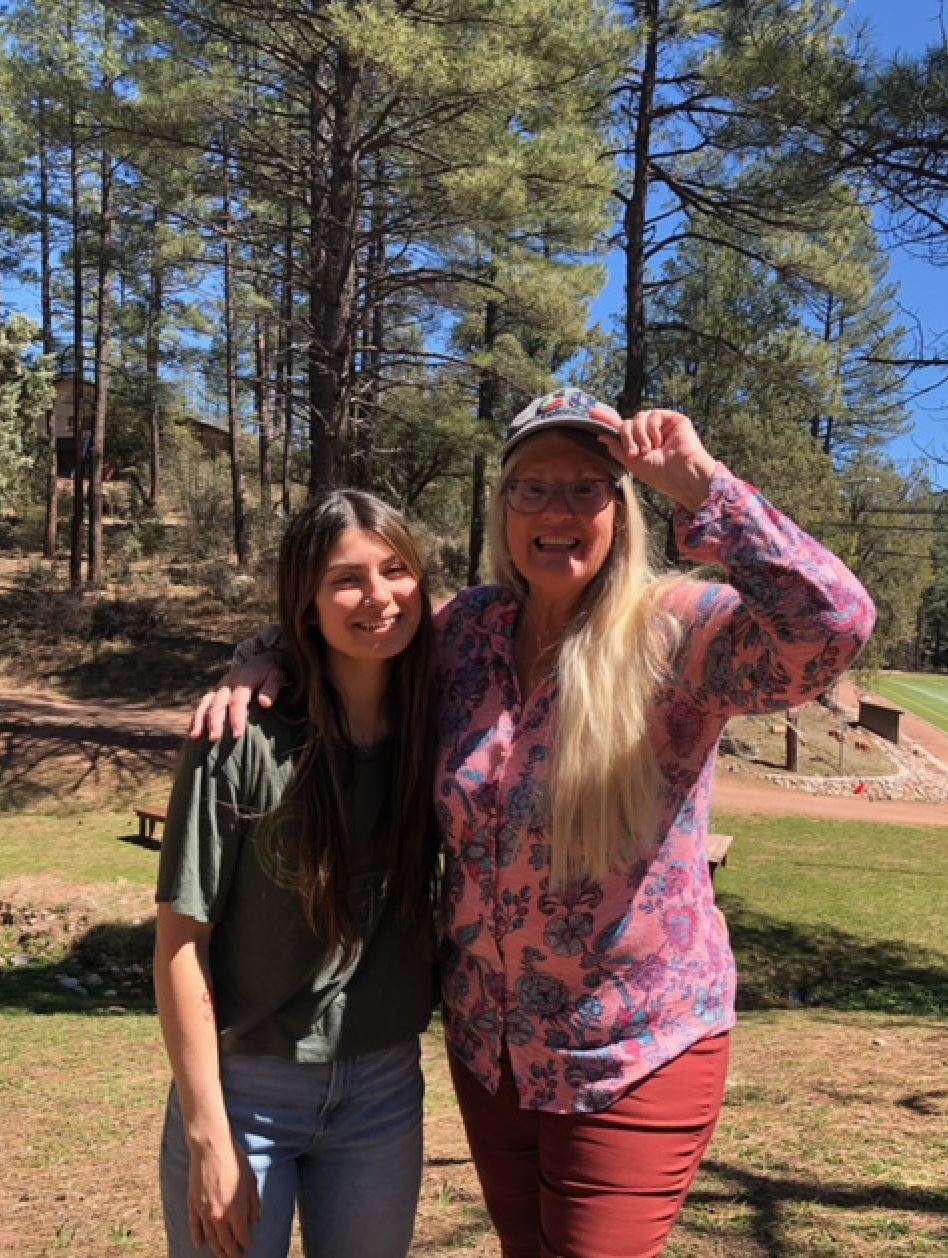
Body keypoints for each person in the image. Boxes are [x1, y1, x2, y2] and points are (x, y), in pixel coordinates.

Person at [192, 388, 875, 1258]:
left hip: (633, 1048)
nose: (558, 511)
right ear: (503, 507)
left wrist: (705, 487)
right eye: (532, 488)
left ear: (620, 510)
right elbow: (357, 630)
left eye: (587, 487)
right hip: (491, 1050)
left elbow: (834, 627)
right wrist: (260, 658)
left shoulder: (682, 633)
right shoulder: (471, 632)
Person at [155, 489, 440, 1258]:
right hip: (247, 1089)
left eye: (395, 570)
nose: (379, 597)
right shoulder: (238, 739)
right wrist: (208, 1131)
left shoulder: (441, 720)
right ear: (305, 604)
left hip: (383, 1088)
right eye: (346, 580)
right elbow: (181, 943)